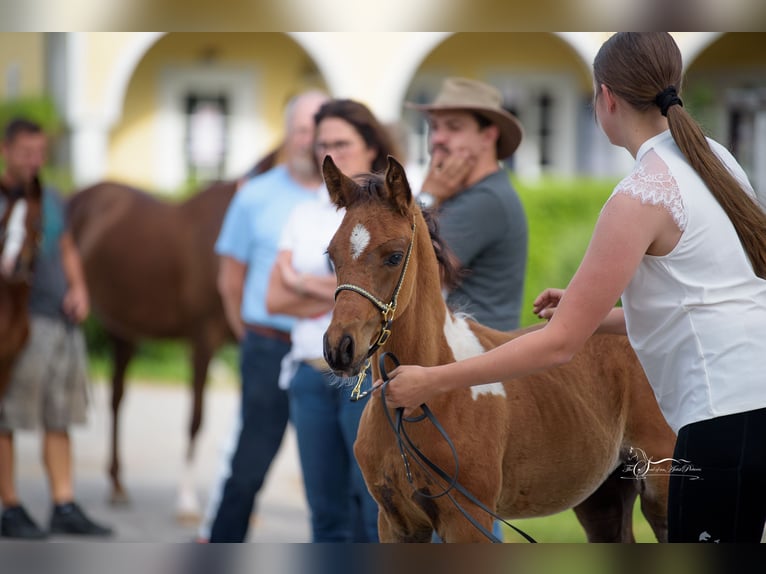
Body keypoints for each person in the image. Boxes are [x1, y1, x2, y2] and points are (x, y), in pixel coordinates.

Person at [383, 33, 766, 543]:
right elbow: (702, 302)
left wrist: (434, 381)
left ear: (605, 97)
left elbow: (560, 346)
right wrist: (592, 313)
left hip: (719, 420)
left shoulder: (641, 193)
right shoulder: (714, 157)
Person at [265, 99, 402, 542]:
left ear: (371, 147)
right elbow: (272, 298)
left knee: (374, 510)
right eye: (322, 144)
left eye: (342, 143)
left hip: (368, 376)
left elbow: (402, 296)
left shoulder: (394, 211)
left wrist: (304, 284)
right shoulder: (305, 213)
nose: (330, 155)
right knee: (325, 514)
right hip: (310, 373)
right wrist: (355, 297)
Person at [205, 90, 329, 543]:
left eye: (319, 132)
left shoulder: (345, 197)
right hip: (268, 344)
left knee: (338, 473)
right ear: (286, 135)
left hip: (330, 352)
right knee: (249, 464)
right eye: (301, 130)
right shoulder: (254, 195)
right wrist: (250, 337)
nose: (310, 141)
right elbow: (229, 280)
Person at [0, 118, 113, 539]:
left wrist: (79, 288)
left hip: (60, 322)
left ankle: (63, 503)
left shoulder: (50, 197)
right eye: (27, 152)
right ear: (5, 150)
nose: (35, 160)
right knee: (6, 416)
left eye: (41, 153)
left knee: (59, 416)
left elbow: (65, 245)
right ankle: (9, 505)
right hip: (17, 326)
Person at [406, 76, 528, 331]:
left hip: (477, 359)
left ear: (488, 136)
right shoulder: (470, 193)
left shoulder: (485, 200)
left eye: (454, 127)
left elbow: (411, 275)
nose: (438, 138)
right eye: (435, 126)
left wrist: (427, 196)